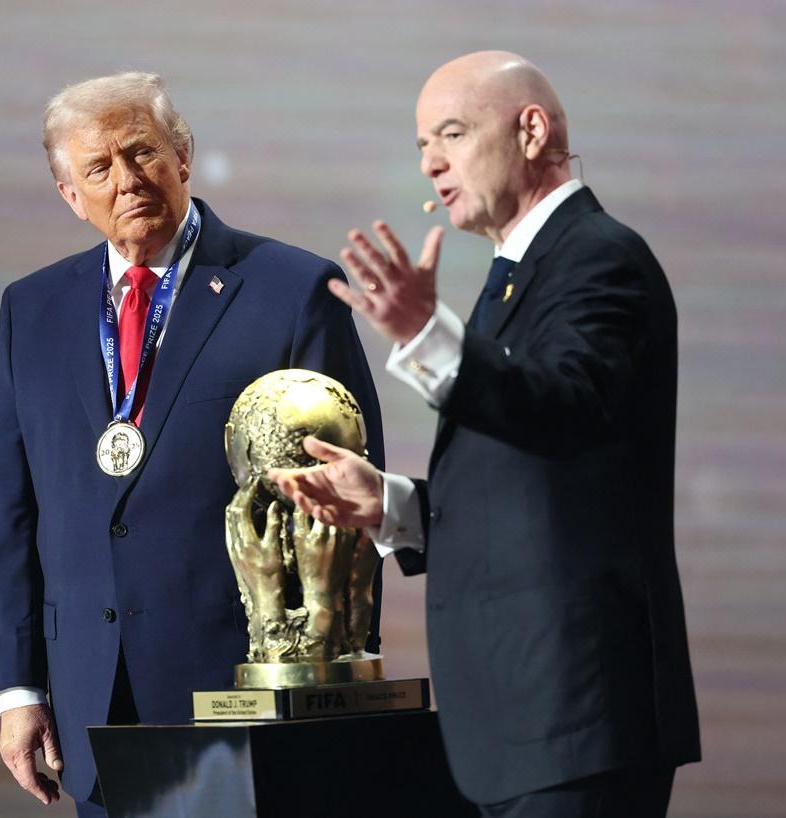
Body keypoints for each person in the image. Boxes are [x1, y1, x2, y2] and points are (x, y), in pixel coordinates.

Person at [270, 51, 700, 817]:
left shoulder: (599, 258)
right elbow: (528, 489)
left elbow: (563, 409)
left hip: (575, 713)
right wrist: (392, 507)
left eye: (453, 133)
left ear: (530, 130)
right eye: (421, 146)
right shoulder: (516, 274)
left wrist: (425, 335)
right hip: (519, 725)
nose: (433, 162)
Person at [0, 71, 385, 818]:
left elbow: (345, 507)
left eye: (142, 152)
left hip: (246, 699)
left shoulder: (291, 289)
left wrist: (326, 678)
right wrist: (19, 689)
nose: (127, 179)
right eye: (98, 168)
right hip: (92, 706)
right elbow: (12, 514)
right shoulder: (29, 311)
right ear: (71, 195)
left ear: (184, 156)